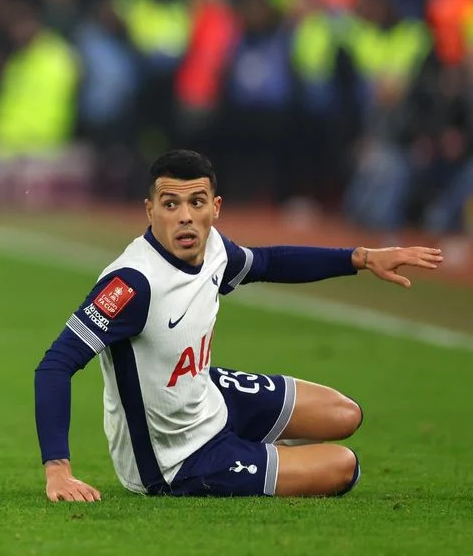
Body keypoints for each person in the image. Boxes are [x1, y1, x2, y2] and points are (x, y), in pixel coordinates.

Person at [34, 149, 441, 500]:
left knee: (345, 414)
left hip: (207, 396)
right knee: (343, 467)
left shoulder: (213, 248)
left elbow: (268, 262)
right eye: (170, 204)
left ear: (216, 207)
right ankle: (246, 458)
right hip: (173, 459)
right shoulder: (132, 283)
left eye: (197, 202)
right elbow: (55, 365)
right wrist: (58, 469)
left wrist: (363, 258)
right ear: (150, 209)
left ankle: (252, 449)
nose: (185, 217)